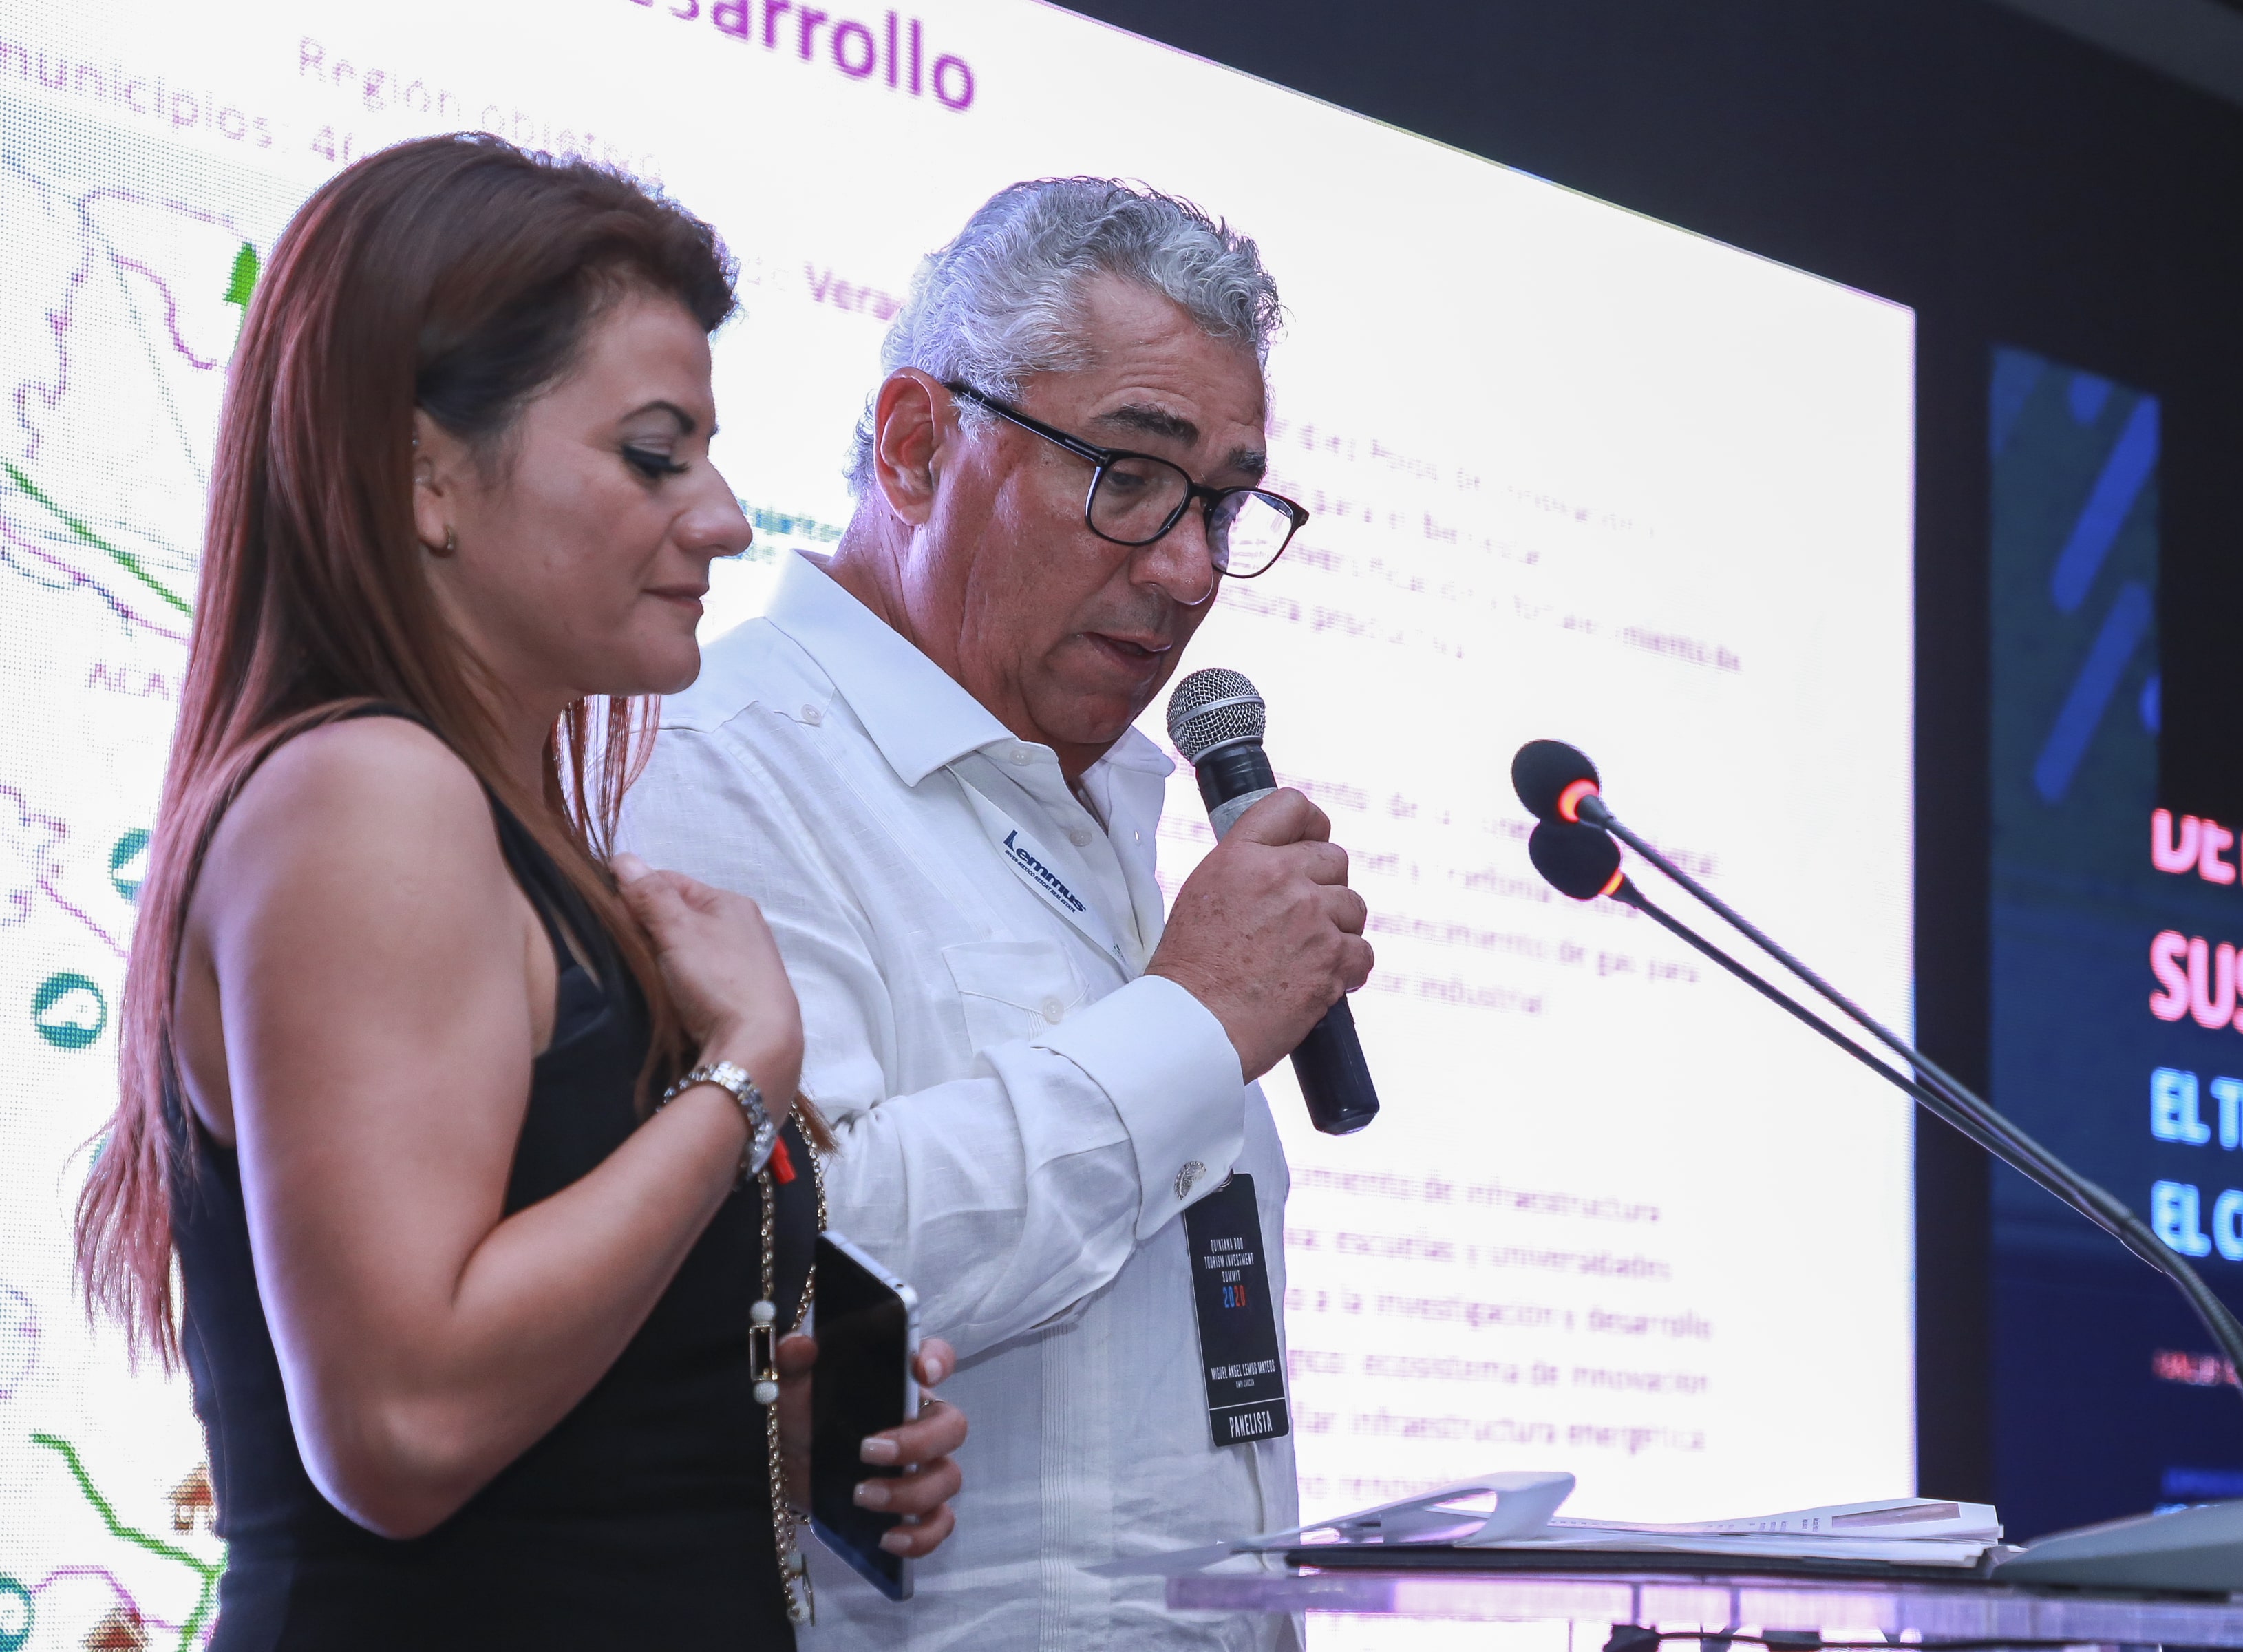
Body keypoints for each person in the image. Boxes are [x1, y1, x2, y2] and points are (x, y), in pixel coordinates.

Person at [72, 134, 964, 1651]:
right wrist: (746, 1071)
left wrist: (742, 1431)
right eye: (655, 454)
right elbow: (404, 1426)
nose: (724, 518)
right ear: (425, 477)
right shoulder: (373, 794)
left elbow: (518, 1437)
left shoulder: (476, 821)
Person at [621, 177, 1372, 1650]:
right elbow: (788, 1273)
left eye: (1224, 504)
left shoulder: (1105, 807)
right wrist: (1193, 1022)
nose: (1189, 569)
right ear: (917, 445)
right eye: (1130, 475)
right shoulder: (718, 759)